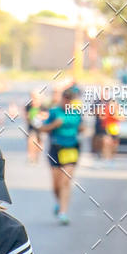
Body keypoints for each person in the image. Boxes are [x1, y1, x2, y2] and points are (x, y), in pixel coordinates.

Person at [38, 85, 84, 225]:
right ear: (62, 99)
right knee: (56, 185)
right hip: (56, 149)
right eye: (66, 99)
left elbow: (82, 127)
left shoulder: (76, 112)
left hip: (71, 148)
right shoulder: (54, 112)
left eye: (70, 100)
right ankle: (59, 203)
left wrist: (81, 128)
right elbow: (42, 128)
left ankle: (63, 213)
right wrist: (54, 125)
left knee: (65, 181)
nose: (67, 102)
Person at [24, 90, 49, 163]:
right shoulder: (28, 106)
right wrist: (28, 118)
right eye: (32, 98)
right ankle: (31, 156)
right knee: (31, 140)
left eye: (36, 98)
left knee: (40, 142)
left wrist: (41, 116)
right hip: (32, 127)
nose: (34, 100)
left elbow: (47, 116)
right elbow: (26, 115)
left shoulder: (43, 107)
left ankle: (37, 155)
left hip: (42, 128)